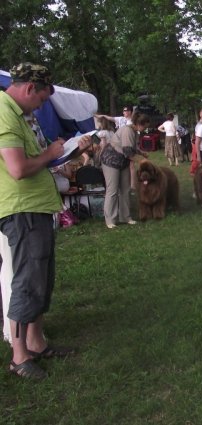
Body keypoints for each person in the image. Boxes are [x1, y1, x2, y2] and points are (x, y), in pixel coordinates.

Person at [0, 63, 89, 379]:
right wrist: (51, 154)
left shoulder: (20, 113)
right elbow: (18, 169)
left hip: (37, 207)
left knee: (42, 277)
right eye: (39, 100)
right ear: (28, 89)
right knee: (27, 279)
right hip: (21, 209)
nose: (40, 107)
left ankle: (36, 343)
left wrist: (65, 152)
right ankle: (19, 356)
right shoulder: (4, 111)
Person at [101, 111, 150, 228]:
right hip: (111, 160)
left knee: (125, 189)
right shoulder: (127, 130)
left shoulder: (134, 131)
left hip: (123, 162)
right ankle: (110, 220)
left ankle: (125, 217)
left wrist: (141, 152)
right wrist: (141, 161)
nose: (146, 129)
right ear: (140, 124)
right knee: (112, 191)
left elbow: (132, 147)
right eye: (146, 126)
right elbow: (128, 153)